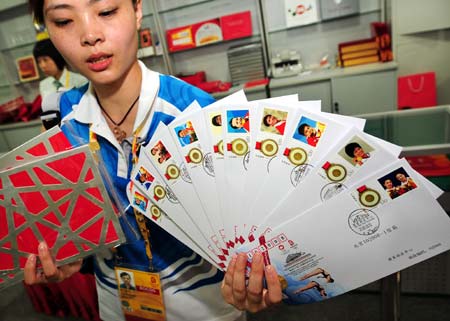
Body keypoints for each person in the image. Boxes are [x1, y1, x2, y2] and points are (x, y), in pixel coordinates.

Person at [24, 1, 282, 321]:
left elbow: (248, 230)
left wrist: (254, 279)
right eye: (64, 21)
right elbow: (76, 221)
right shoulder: (59, 117)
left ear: (136, 9)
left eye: (105, 11)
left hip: (204, 305)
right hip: (114, 302)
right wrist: (72, 258)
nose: (90, 34)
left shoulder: (197, 115)